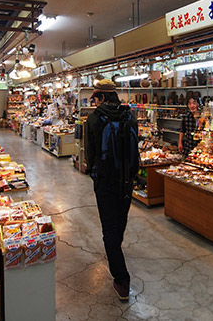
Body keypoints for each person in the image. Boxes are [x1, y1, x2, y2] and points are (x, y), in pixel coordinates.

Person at [85, 79, 138, 301]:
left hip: (105, 181)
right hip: (127, 180)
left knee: (109, 228)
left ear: (103, 97)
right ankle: (116, 251)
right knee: (120, 220)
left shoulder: (94, 118)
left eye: (96, 98)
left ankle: (122, 279)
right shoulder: (130, 116)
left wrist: (94, 174)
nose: (95, 102)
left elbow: (90, 153)